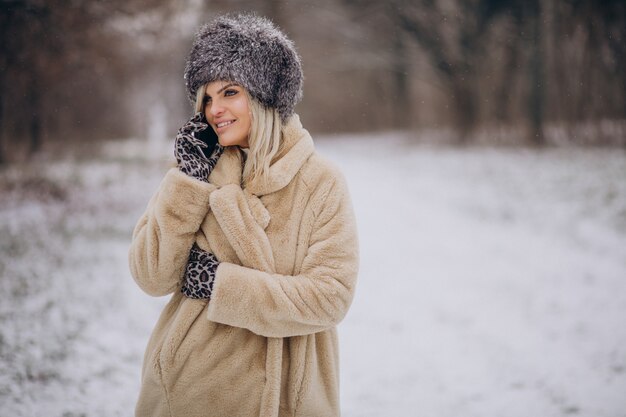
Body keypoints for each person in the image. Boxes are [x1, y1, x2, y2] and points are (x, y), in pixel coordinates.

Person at [128, 12, 359, 417]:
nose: (215, 109)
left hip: (289, 398)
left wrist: (220, 283)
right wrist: (187, 180)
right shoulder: (198, 173)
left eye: (230, 92)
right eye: (208, 98)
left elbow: (330, 297)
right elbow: (151, 275)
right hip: (191, 391)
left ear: (265, 96)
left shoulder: (321, 182)